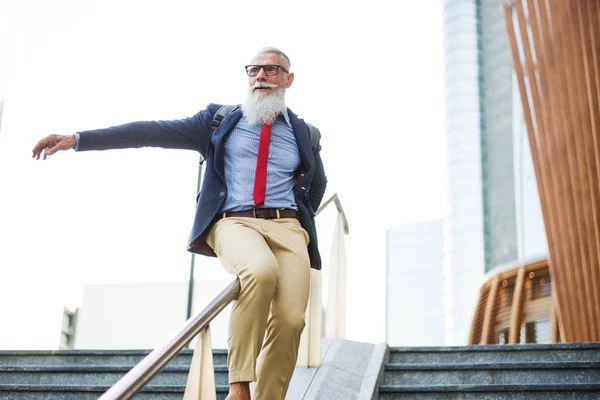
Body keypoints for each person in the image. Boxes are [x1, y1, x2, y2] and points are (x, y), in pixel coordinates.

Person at [32, 47, 327, 400]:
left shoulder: (304, 132)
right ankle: (239, 385)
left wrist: (298, 217)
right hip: (235, 223)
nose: (260, 76)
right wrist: (79, 140)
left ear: (288, 79)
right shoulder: (218, 120)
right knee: (260, 271)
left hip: (288, 228)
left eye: (271, 70)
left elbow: (317, 183)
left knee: (292, 319)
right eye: (254, 70)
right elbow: (149, 132)